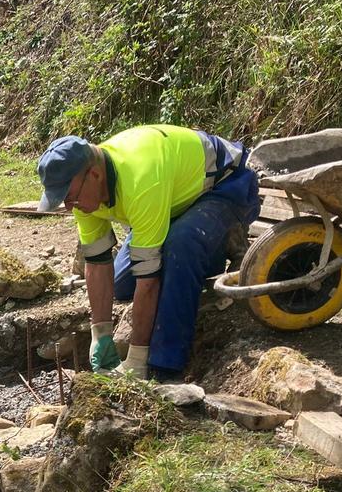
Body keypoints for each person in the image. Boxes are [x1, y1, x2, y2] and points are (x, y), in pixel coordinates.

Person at [37, 125, 260, 379]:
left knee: (180, 246)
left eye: (70, 196)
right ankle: (208, 254)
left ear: (95, 175)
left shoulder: (140, 179)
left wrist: (137, 358)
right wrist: (100, 334)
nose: (68, 206)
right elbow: (98, 263)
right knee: (122, 284)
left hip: (226, 186)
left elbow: (148, 282)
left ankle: (167, 364)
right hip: (171, 201)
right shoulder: (83, 192)